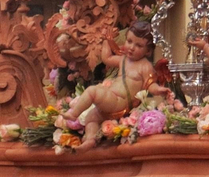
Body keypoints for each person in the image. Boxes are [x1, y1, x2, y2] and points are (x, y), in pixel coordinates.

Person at [61, 20, 159, 148]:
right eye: (129, 41)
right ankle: (90, 139)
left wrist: (159, 90)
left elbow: (150, 84)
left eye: (138, 45)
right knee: (91, 118)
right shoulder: (124, 60)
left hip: (119, 101)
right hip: (111, 101)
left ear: (148, 51)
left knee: (92, 91)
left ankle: (74, 114)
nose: (131, 47)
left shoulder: (145, 66)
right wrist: (107, 41)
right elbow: (106, 58)